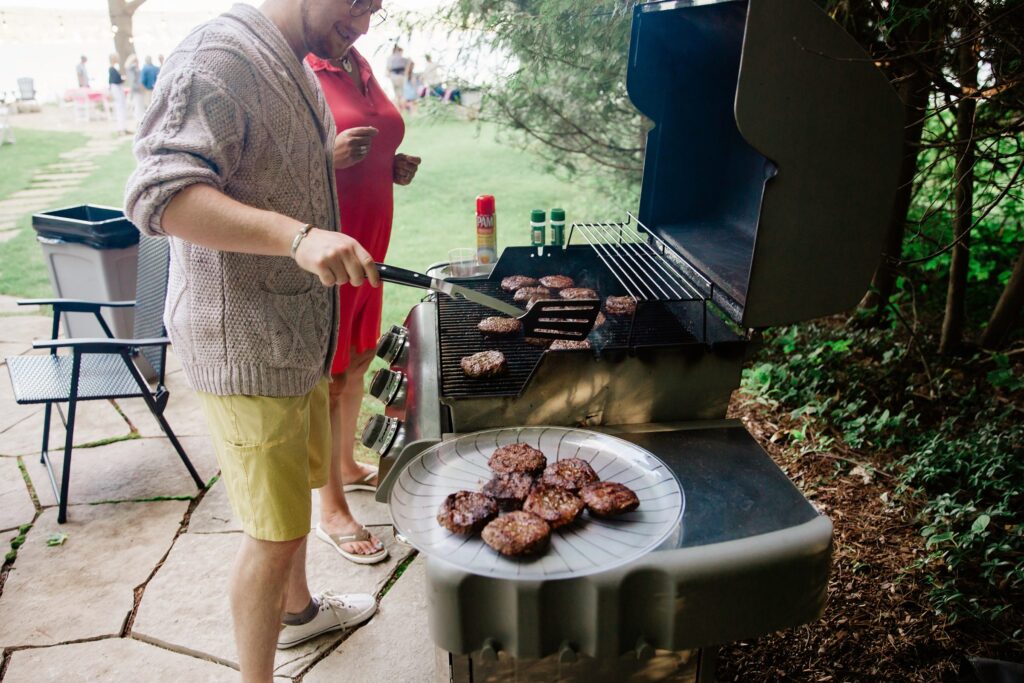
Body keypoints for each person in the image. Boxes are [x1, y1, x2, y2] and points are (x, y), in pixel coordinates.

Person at [124, 1, 386, 680]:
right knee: (273, 535)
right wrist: (297, 238)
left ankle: (300, 614)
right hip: (245, 344)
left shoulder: (290, 62)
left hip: (290, 333)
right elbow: (161, 195)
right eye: (359, 3)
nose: (364, 25)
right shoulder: (215, 57)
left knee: (293, 504)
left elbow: (265, 162)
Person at [306, 33, 421, 565]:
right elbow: (269, 167)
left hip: (370, 244)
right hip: (328, 247)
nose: (361, 17)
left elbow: (376, 136)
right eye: (353, 6)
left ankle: (348, 467)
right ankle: (329, 507)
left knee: (355, 362)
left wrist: (389, 165)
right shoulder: (302, 66)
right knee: (329, 377)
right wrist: (326, 156)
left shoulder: (358, 62)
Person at [107, 54, 128, 134]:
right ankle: (121, 128)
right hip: (117, 90)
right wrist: (123, 80)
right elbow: (115, 80)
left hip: (117, 89)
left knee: (121, 107)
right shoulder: (112, 69)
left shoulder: (113, 69)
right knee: (120, 107)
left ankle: (122, 127)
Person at [124, 54, 146, 127]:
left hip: (137, 89)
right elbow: (133, 81)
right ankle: (140, 121)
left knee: (138, 105)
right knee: (139, 105)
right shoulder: (132, 69)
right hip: (137, 90)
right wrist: (139, 86)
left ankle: (140, 120)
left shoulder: (131, 69)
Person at [385, 44, 407, 109]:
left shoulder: (389, 58)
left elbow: (388, 69)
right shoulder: (402, 58)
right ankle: (401, 108)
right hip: (399, 76)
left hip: (394, 76)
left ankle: (400, 108)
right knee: (401, 93)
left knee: (398, 94)